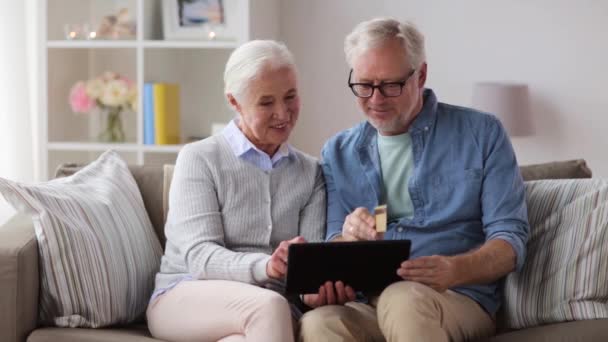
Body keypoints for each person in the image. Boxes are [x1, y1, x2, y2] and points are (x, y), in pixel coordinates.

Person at [298, 18, 530, 342]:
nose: (376, 99)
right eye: (364, 85)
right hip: (369, 301)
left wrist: (454, 269)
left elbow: (511, 240)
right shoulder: (338, 152)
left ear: (420, 75)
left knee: (403, 299)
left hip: (454, 298)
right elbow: (334, 242)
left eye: (391, 85)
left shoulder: (482, 133)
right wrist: (348, 241)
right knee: (319, 322)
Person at [146, 40, 327, 342]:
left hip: (268, 311)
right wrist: (266, 266)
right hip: (185, 295)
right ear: (235, 102)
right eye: (266, 102)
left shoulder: (311, 172)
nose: (283, 113)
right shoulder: (199, 158)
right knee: (269, 306)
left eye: (291, 96)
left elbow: (309, 267)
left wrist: (315, 288)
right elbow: (199, 257)